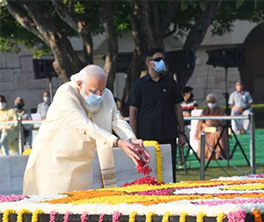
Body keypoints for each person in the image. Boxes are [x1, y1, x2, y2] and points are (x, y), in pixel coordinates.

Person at [24, 65, 149, 195]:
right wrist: (118, 142)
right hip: (54, 163)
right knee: (52, 209)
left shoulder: (106, 95)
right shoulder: (65, 93)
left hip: (82, 165)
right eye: (94, 91)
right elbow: (84, 125)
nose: (99, 96)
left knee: (79, 210)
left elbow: (116, 119)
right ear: (79, 84)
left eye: (102, 90)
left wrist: (130, 139)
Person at [129, 48, 186, 183]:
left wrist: (181, 132)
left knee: (169, 171)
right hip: (147, 135)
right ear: (149, 63)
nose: (162, 63)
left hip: (168, 133)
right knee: (149, 171)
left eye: (163, 60)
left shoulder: (170, 82)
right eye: (158, 60)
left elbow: (177, 107)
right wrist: (132, 137)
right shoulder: (139, 85)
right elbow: (133, 111)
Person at [195, 93, 227, 160]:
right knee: (202, 134)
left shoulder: (220, 110)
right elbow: (201, 122)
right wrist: (204, 126)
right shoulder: (205, 110)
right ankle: (204, 155)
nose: (211, 104)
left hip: (217, 129)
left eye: (212, 102)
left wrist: (217, 128)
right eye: (209, 102)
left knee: (219, 134)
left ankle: (219, 154)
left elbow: (223, 123)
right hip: (207, 129)